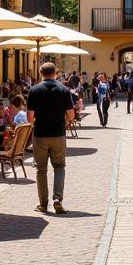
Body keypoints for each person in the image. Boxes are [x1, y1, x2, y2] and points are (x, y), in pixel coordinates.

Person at [27, 62, 75, 215]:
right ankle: (57, 198)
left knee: (41, 169)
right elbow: (71, 115)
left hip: (40, 134)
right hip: (58, 134)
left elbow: (29, 118)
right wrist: (65, 121)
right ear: (55, 73)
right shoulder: (64, 90)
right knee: (59, 166)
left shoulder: (34, 90)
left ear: (41, 73)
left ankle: (43, 204)